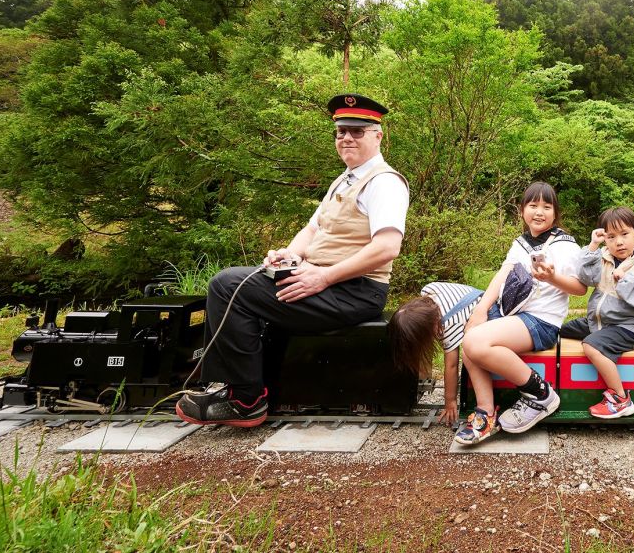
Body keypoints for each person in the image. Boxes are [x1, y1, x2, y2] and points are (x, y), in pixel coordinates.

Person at [177, 94, 409, 427]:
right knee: (239, 284)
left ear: (378, 136)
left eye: (357, 131)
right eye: (341, 131)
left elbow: (387, 248)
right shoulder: (345, 179)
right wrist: (291, 255)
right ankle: (234, 387)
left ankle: (246, 399)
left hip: (354, 292)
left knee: (228, 286)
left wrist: (324, 277)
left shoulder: (384, 183)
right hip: (327, 283)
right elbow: (312, 229)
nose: (346, 137)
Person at [454, 182, 586, 446]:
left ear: (556, 213)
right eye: (533, 205)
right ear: (522, 209)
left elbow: (580, 288)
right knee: (470, 336)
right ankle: (486, 413)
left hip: (541, 322)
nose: (539, 212)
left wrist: (552, 278)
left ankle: (541, 394)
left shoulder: (565, 245)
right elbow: (502, 275)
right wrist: (480, 310)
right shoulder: (521, 243)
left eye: (546, 207)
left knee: (475, 342)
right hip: (512, 314)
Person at [561, 207, 634, 420]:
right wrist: (593, 246)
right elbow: (586, 278)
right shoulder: (604, 257)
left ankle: (620, 398)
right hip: (600, 322)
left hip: (627, 327)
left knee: (591, 345)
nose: (619, 242)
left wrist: (625, 280)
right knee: (561, 330)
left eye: (625, 234)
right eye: (611, 237)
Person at [388, 281, 484, 426]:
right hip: (482, 297)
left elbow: (451, 365)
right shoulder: (429, 290)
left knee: (469, 353)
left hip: (490, 316)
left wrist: (450, 401)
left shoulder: (450, 323)